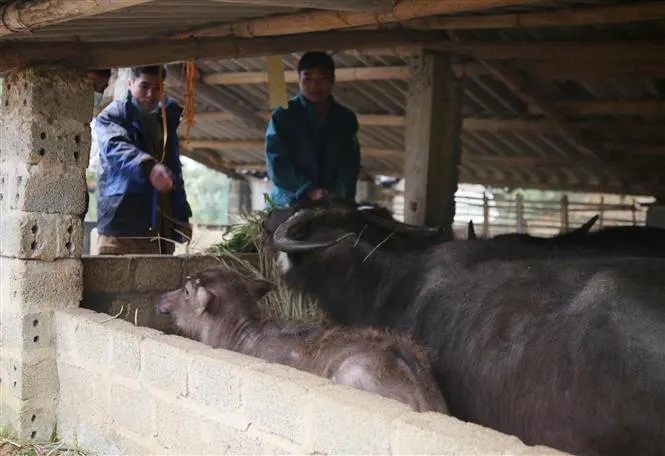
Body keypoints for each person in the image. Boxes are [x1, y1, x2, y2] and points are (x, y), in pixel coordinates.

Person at [93, 65, 192, 255]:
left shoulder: (165, 122)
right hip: (122, 229)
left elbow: (174, 173)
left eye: (157, 88)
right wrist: (149, 167)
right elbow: (115, 148)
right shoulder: (112, 116)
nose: (150, 94)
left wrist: (181, 218)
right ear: (130, 84)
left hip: (159, 231)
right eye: (144, 86)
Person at [264, 51, 361, 207]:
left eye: (322, 78)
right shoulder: (284, 115)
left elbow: (349, 164)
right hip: (290, 200)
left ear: (333, 80)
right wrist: (307, 190)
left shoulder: (345, 119)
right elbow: (277, 162)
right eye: (308, 78)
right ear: (299, 80)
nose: (315, 85)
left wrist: (338, 197)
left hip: (333, 201)